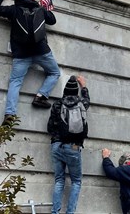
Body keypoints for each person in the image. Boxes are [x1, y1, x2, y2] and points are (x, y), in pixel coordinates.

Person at [0, 0, 61, 125]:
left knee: (15, 82)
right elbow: (52, 21)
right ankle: (41, 96)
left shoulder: (14, 10)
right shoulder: (40, 9)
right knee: (54, 73)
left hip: (21, 54)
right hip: (42, 52)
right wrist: (44, 7)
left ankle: (10, 114)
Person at [47, 75, 90, 214]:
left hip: (56, 145)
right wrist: (84, 86)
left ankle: (55, 212)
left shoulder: (57, 104)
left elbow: (50, 128)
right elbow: (87, 100)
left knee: (59, 180)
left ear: (64, 91)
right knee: (76, 181)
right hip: (73, 147)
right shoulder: (81, 104)